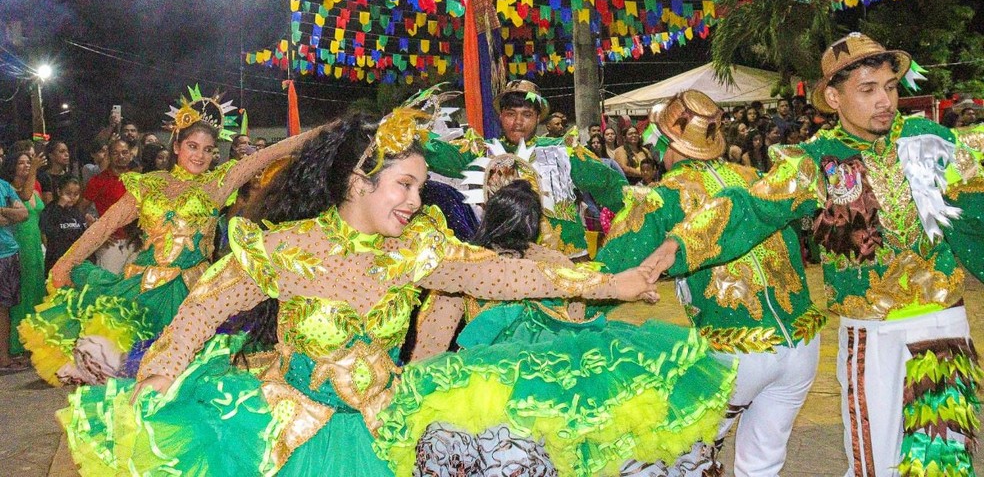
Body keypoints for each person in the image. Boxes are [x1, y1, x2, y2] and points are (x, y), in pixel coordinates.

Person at [55, 104, 658, 477]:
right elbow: (203, 306)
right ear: (357, 182)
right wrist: (161, 371)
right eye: (404, 185)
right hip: (292, 437)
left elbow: (509, 274)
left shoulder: (416, 251)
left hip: (382, 433)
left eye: (420, 187)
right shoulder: (288, 248)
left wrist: (611, 282)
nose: (416, 200)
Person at [642, 33, 984, 476]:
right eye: (868, 89)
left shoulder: (928, 140)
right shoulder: (815, 161)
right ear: (834, 97)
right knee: (876, 466)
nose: (885, 100)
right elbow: (753, 207)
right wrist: (681, 244)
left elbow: (975, 208)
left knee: (943, 461)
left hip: (945, 324)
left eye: (890, 87)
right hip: (874, 333)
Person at [383, 180, 736, 477]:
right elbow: (576, 319)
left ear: (490, 213)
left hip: (487, 392)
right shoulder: (553, 262)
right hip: (559, 387)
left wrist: (414, 386)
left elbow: (432, 341)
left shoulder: (468, 264)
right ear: (535, 222)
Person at [20, 88, 322, 386]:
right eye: (193, 146)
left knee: (186, 378)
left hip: (195, 294)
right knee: (129, 373)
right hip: (143, 291)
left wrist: (327, 131)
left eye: (207, 149)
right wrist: (66, 262)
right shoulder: (149, 185)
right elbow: (104, 226)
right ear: (176, 145)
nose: (200, 155)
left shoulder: (219, 183)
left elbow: (272, 153)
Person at [596, 91, 824, 477]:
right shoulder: (758, 179)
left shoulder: (660, 198)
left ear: (665, 143)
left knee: (670, 458)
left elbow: (609, 274)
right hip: (802, 345)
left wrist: (563, 299)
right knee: (762, 463)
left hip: (734, 355)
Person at [426, 80, 628, 253]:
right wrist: (413, 137)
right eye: (510, 114)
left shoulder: (564, 152)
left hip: (565, 265)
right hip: (506, 264)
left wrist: (637, 220)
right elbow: (441, 154)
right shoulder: (482, 152)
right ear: (500, 116)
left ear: (538, 117)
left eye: (527, 114)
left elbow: (611, 186)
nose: (518, 122)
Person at [2, 151, 46, 356]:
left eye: (29, 162)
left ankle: (33, 342)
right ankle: (16, 344)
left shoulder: (35, 187)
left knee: (36, 291)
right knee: (21, 295)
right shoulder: (9, 189)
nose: (27, 166)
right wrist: (35, 169)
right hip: (19, 244)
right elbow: (25, 197)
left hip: (35, 245)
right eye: (21, 163)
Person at [77, 138, 137, 274]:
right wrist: (95, 231)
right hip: (111, 243)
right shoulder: (98, 181)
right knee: (108, 283)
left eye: (124, 152)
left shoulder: (138, 180)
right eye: (115, 153)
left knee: (133, 284)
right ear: (108, 156)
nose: (121, 156)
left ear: (131, 155)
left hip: (136, 242)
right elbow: (79, 210)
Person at [0, 175, 28, 371]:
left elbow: (23, 214)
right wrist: (11, 213)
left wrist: (3, 211)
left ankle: (4, 358)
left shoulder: (4, 186)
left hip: (8, 253)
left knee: (4, 308)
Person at [39, 176, 88, 275]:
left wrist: (89, 226)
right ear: (59, 192)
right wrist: (60, 206)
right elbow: (46, 228)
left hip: (75, 262)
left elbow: (83, 236)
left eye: (76, 194)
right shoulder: (50, 210)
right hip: (56, 261)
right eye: (68, 193)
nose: (72, 197)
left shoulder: (77, 212)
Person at [38, 139, 73, 205]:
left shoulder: (70, 177)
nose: (66, 154)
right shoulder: (43, 177)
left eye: (67, 151)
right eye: (62, 152)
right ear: (51, 155)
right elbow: (48, 204)